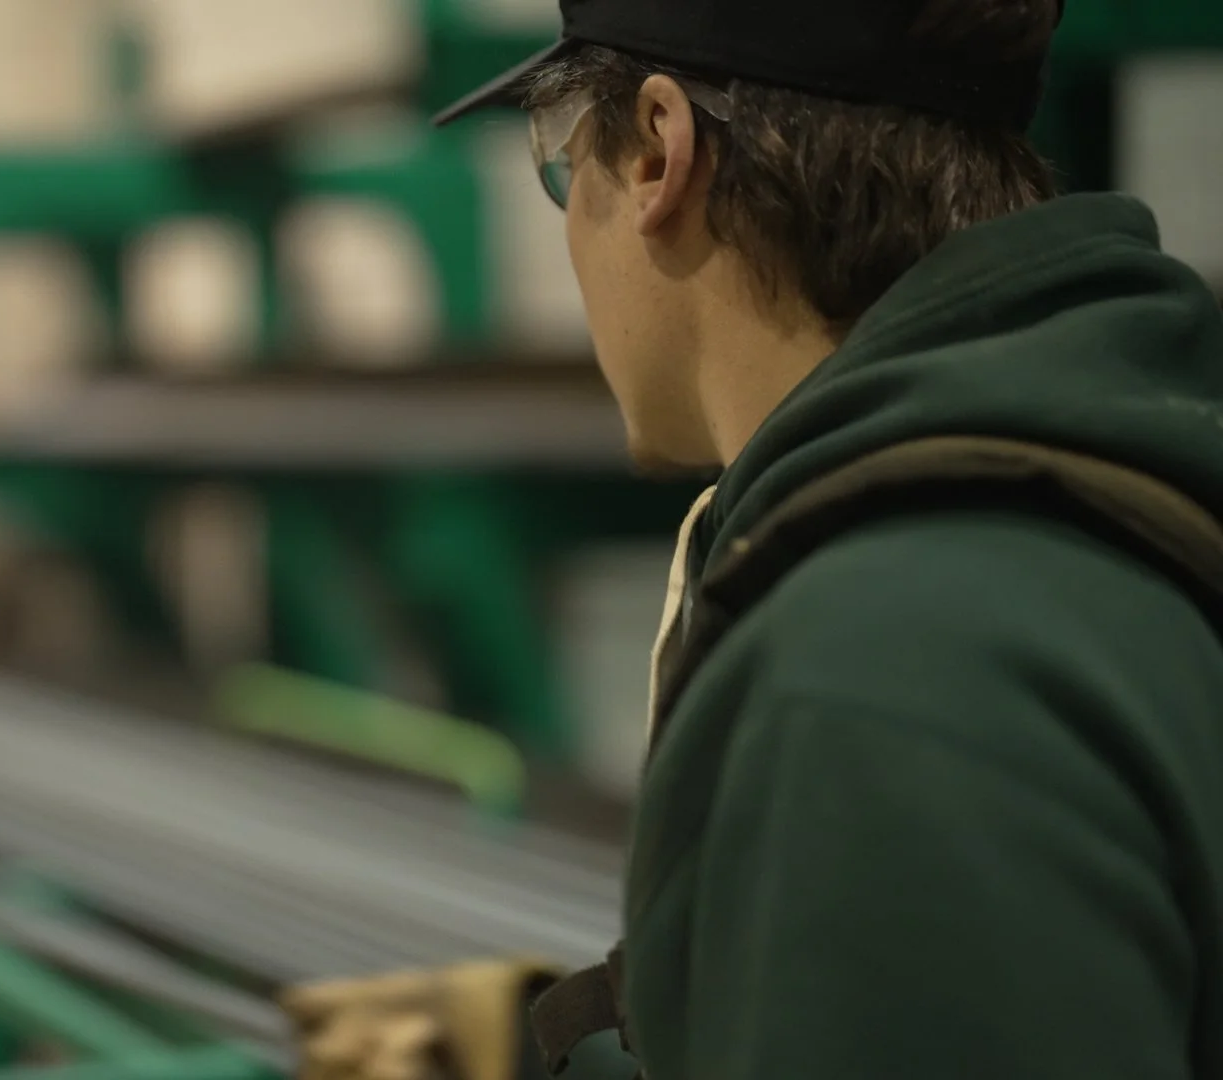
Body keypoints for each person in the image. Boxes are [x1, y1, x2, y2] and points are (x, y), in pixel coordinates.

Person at [281, 0, 1223, 1077]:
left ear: (658, 153)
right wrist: (432, 1050)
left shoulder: (878, 682)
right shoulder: (1096, 483)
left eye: (560, 164)